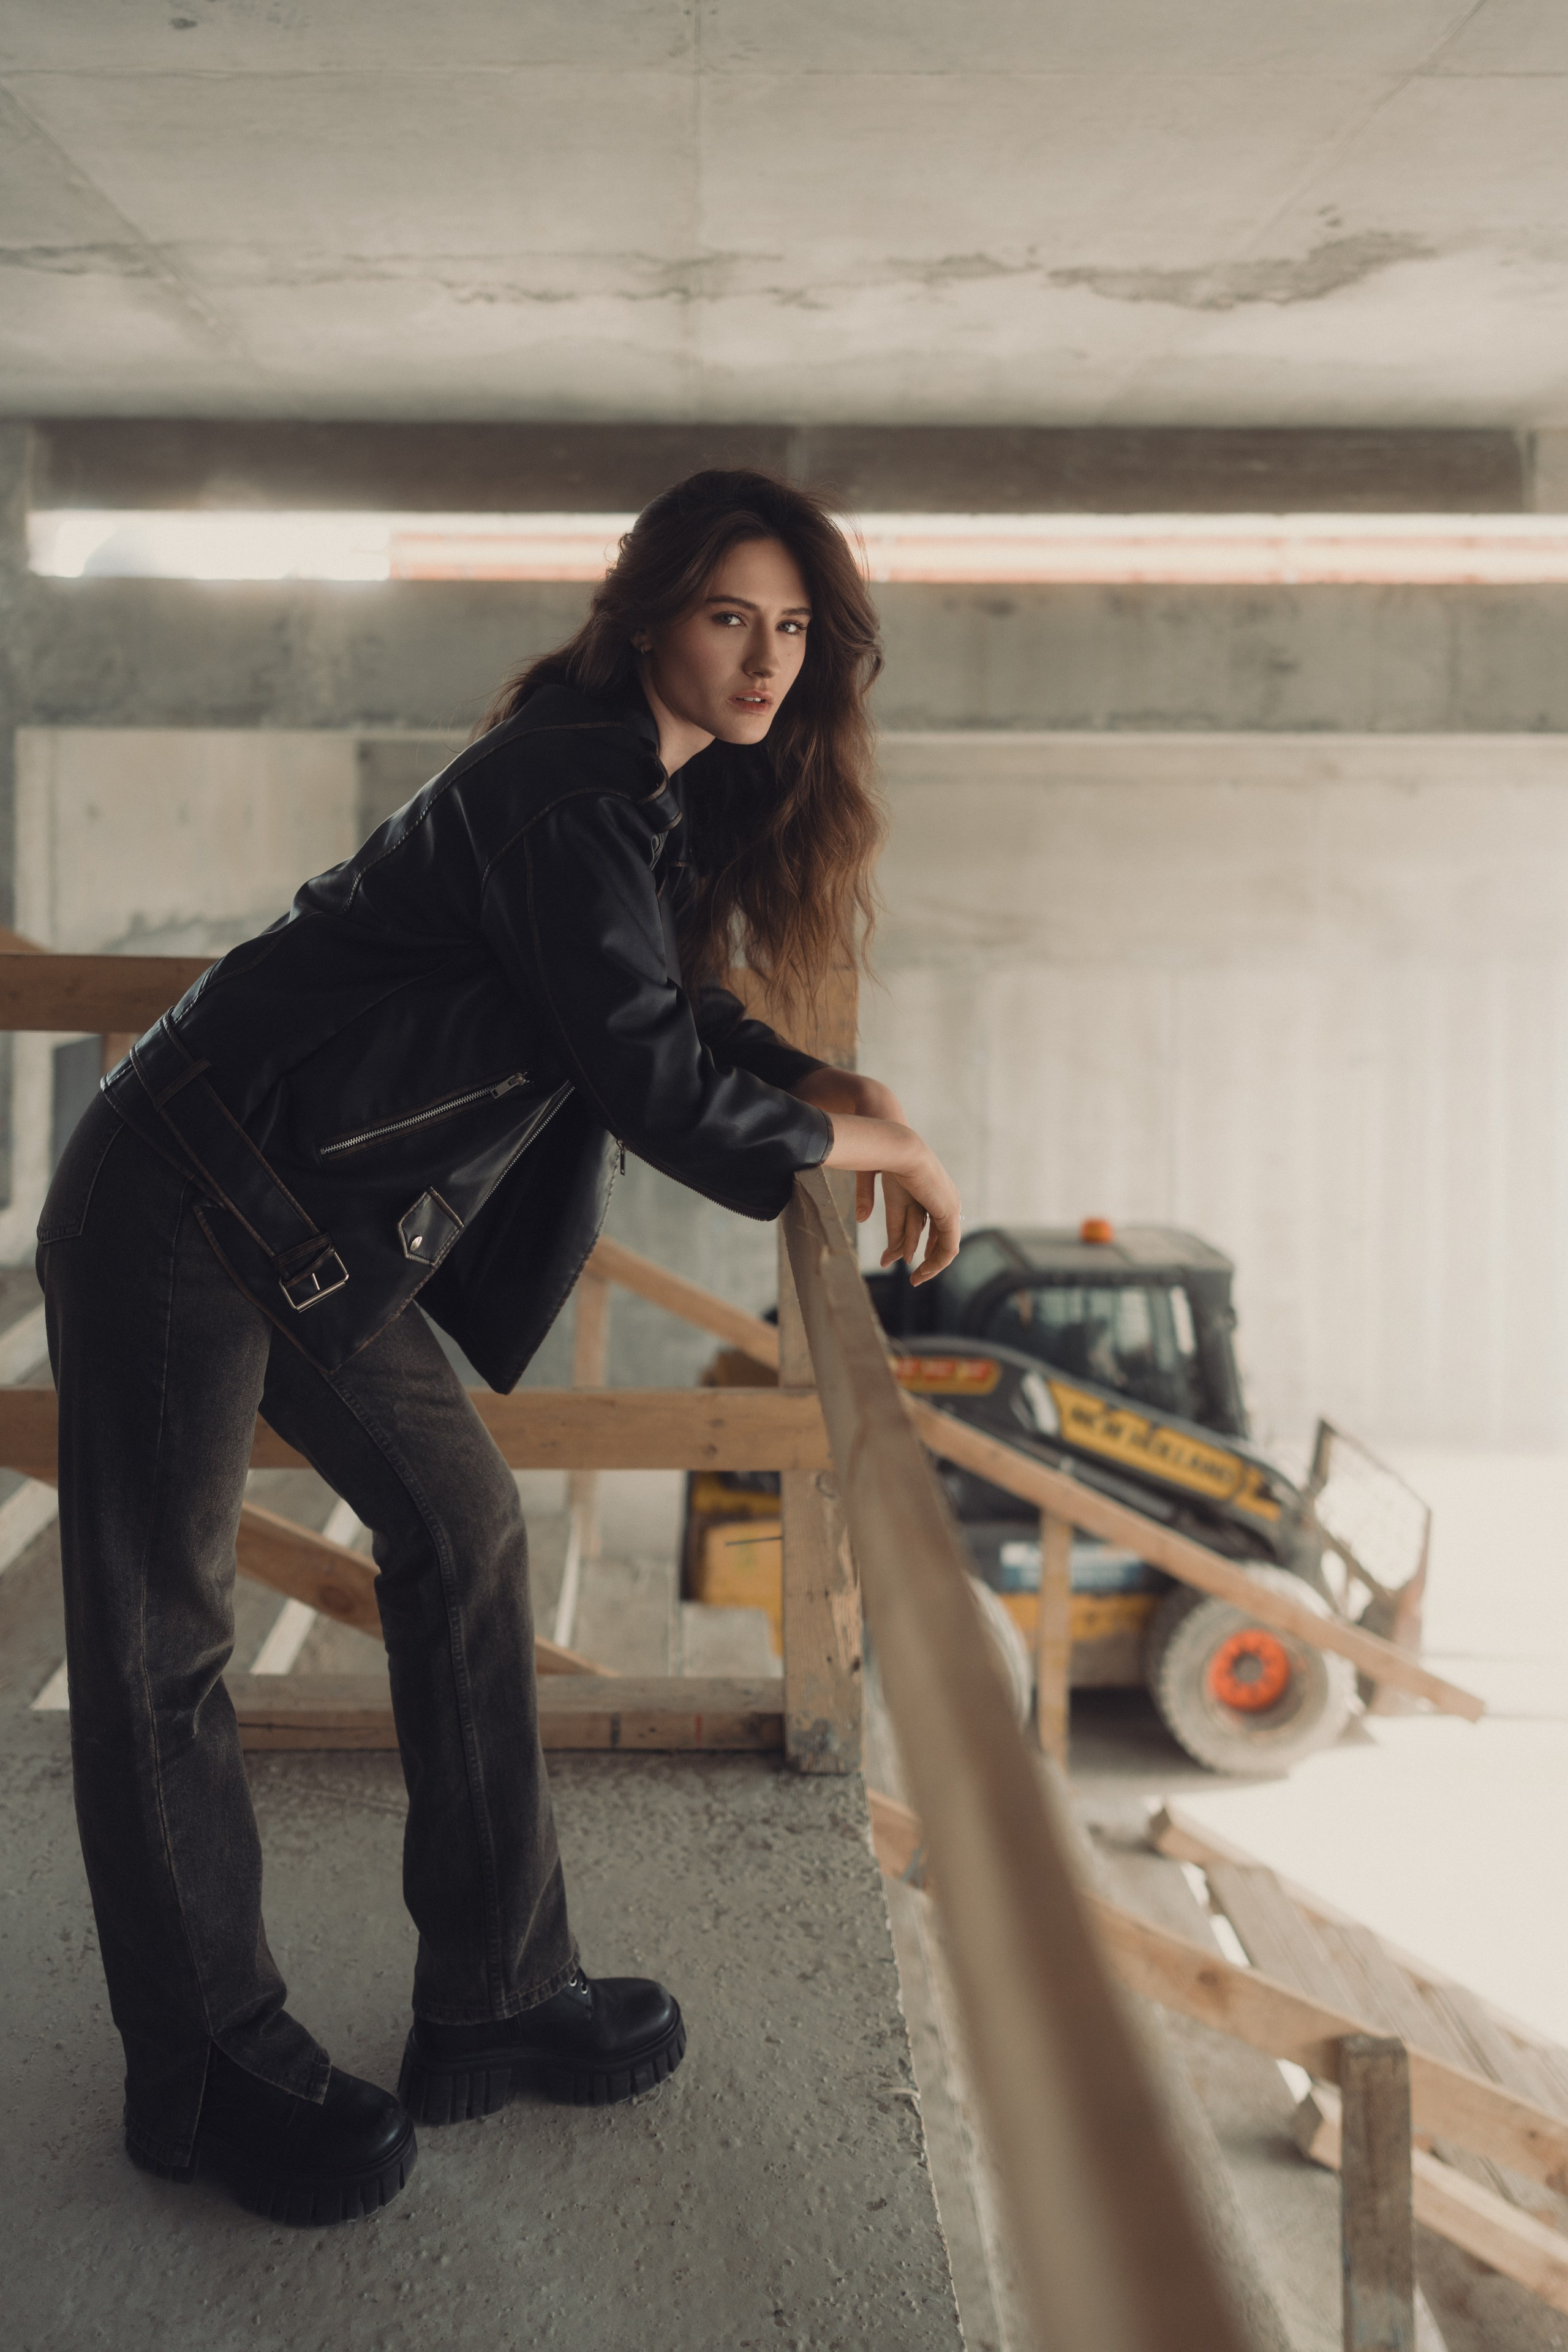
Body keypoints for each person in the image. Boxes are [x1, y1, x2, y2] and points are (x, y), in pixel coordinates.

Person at [40, 469, 962, 2226]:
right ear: (645, 619)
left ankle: (495, 1990)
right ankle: (209, 2071)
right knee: (161, 1644)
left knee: (461, 1529)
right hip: (182, 1201)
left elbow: (666, 1007)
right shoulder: (570, 787)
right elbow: (642, 1073)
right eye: (729, 618)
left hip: (304, 1225)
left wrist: (844, 1091)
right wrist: (879, 1148)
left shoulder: (638, 796)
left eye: (795, 630)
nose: (767, 659)